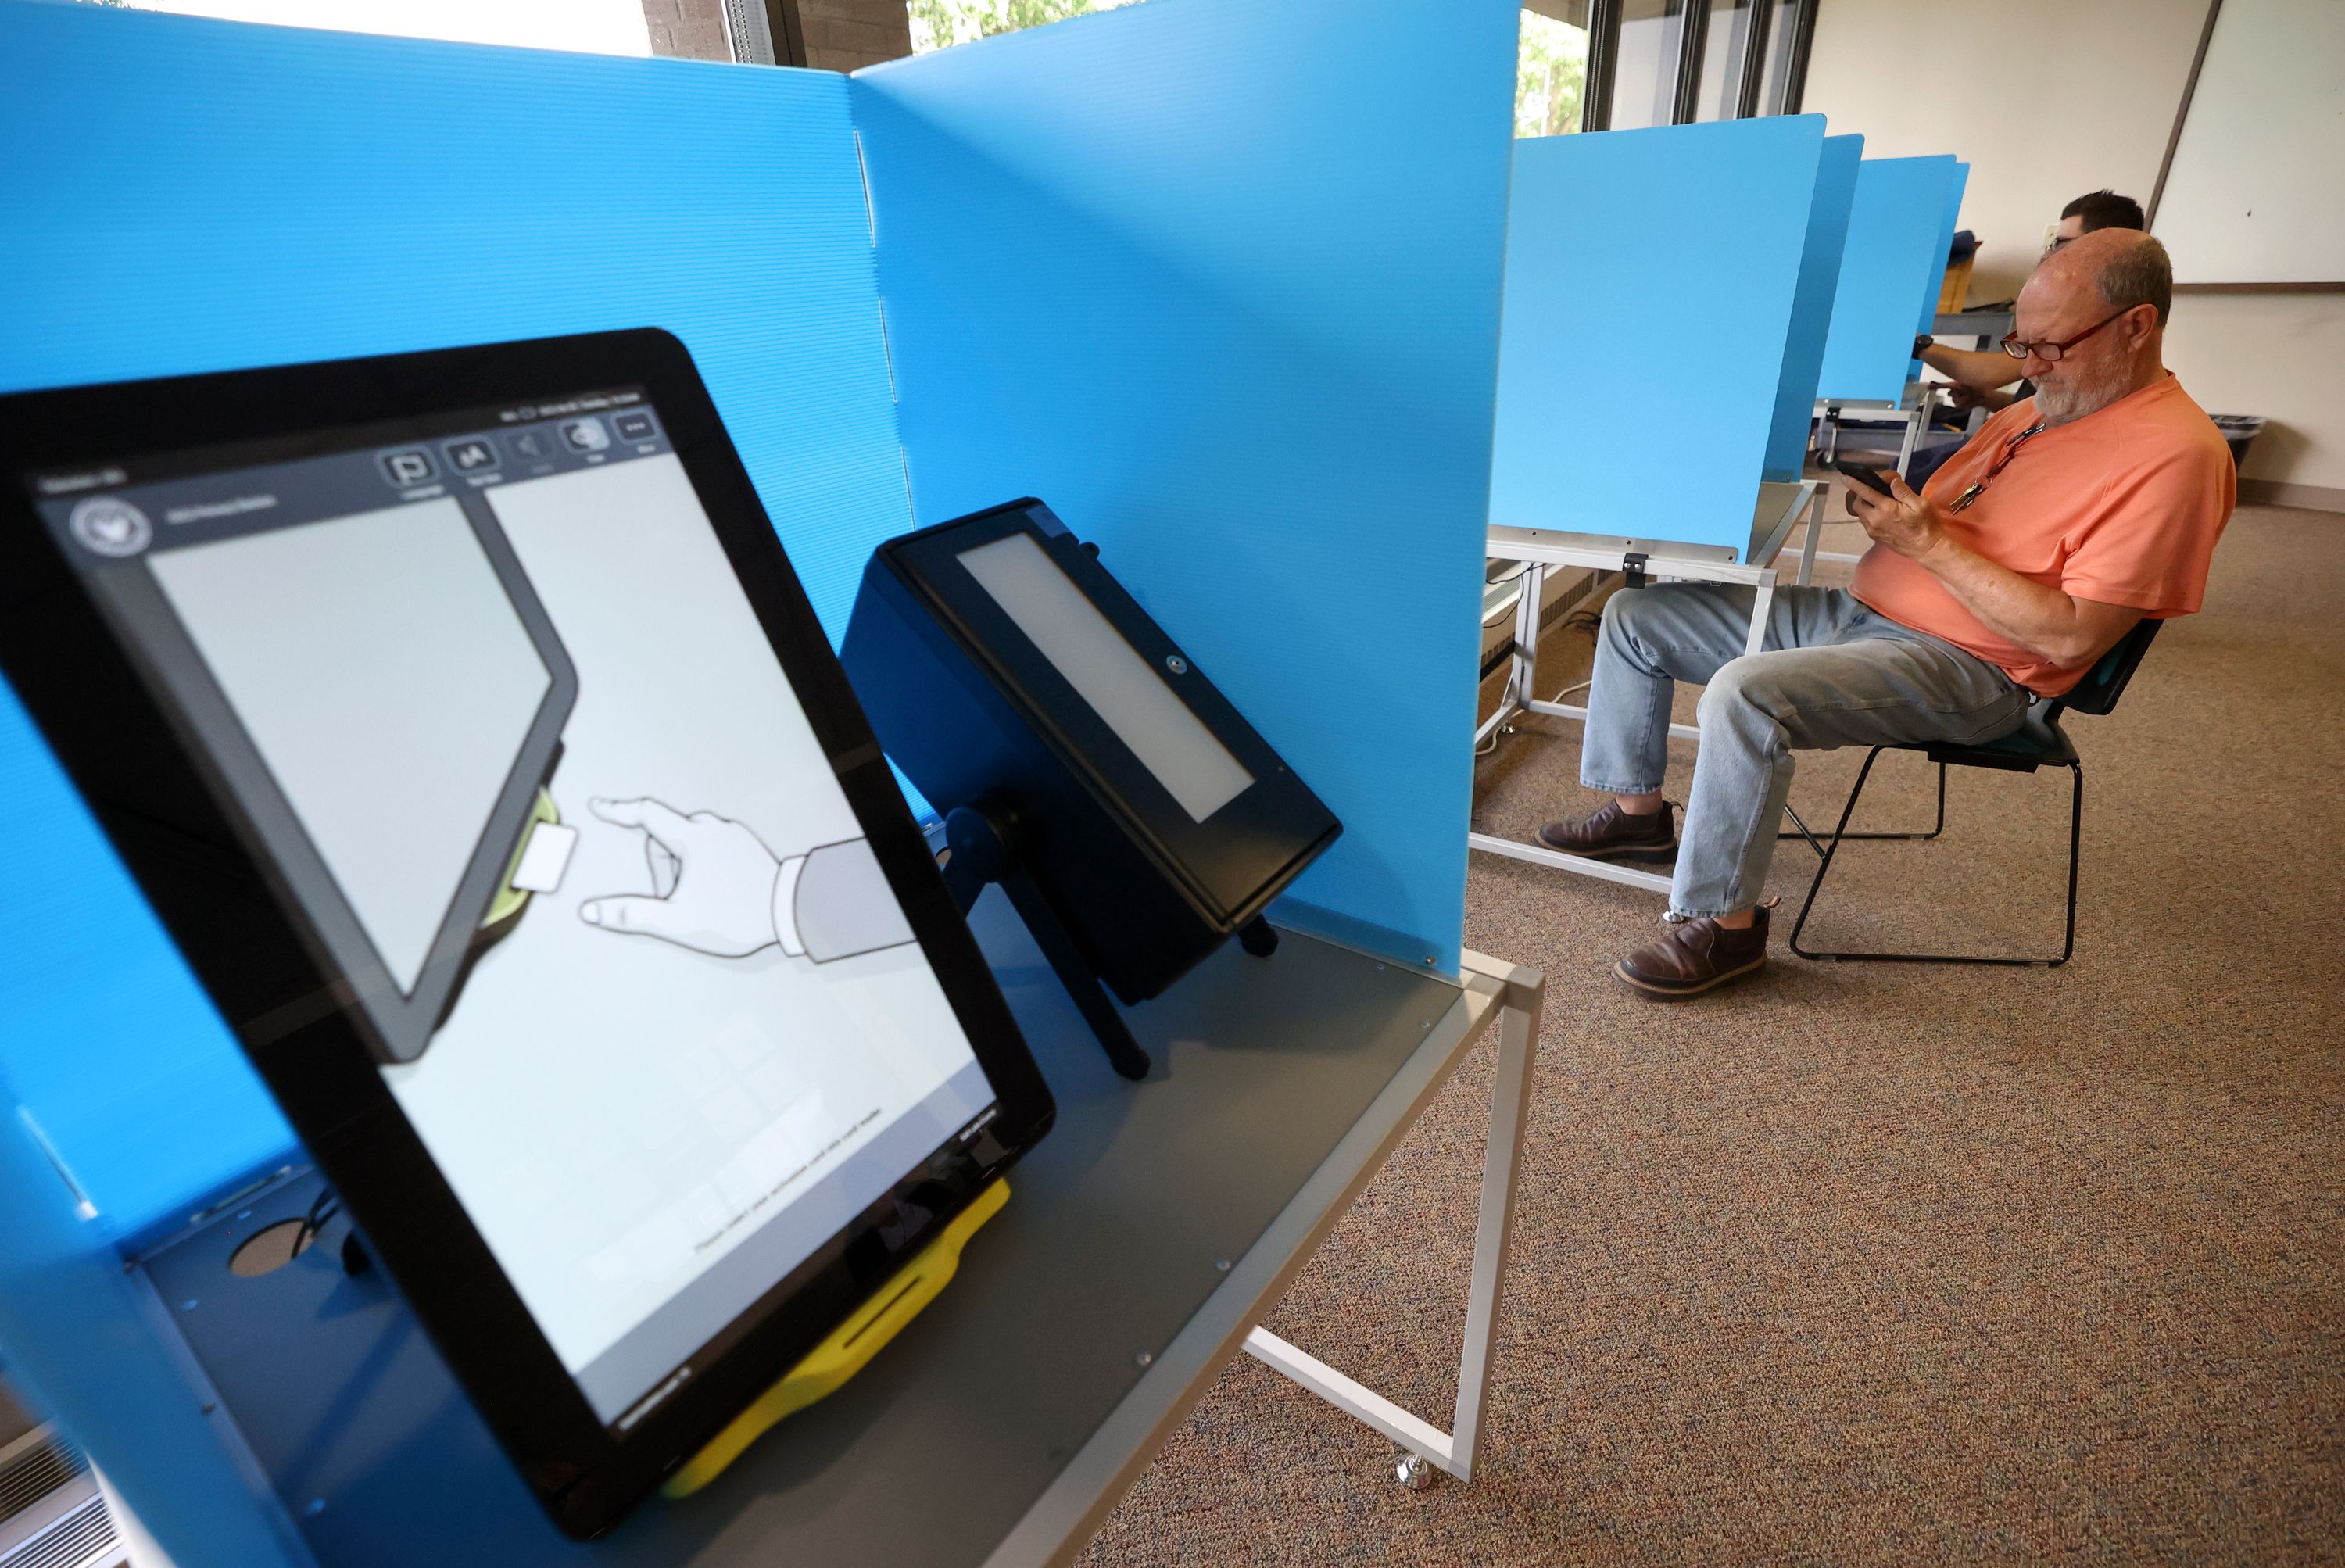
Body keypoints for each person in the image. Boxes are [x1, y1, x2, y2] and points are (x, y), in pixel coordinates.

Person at [1539, 230, 2232, 998]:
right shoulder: (2046, 407)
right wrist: (1901, 515)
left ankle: (1724, 927)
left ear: (2137, 326)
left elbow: (2071, 633)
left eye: (2051, 348)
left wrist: (1926, 543)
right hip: (1863, 611)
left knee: (1744, 691)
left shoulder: (2178, 456)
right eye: (2021, 345)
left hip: (1974, 665)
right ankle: (1639, 813)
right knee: (1639, 614)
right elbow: (1962, 515)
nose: (2028, 367)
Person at [1920, 189, 2148, 417]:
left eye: (2060, 243)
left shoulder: (2092, 318)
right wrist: (1987, 398)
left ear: (2098, 244)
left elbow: (1989, 374)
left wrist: (1919, 346)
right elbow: (2053, 410)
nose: (2049, 253)